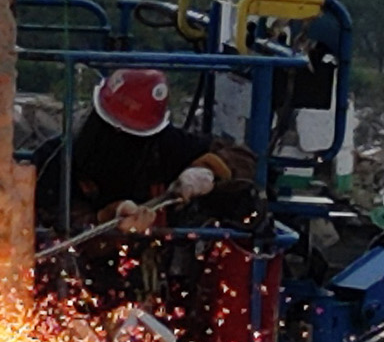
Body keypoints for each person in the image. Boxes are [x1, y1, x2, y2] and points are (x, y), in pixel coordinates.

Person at [53, 66, 259, 231]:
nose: (119, 140)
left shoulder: (166, 146)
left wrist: (209, 168)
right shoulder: (63, 158)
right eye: (112, 129)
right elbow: (54, 219)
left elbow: (242, 158)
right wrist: (108, 217)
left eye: (131, 136)